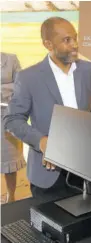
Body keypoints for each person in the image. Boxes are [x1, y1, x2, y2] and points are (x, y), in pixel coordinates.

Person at [3, 17, 91, 200]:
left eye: (75, 38)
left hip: (84, 170)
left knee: (85, 225)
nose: (75, 45)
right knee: (48, 227)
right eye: (67, 40)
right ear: (48, 44)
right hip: (47, 175)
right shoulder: (28, 77)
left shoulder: (87, 70)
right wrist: (41, 141)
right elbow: (12, 119)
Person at [1, 52, 26, 203]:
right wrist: (7, 87)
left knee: (9, 159)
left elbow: (21, 85)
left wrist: (3, 90)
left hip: (8, 116)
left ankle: (11, 196)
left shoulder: (11, 59)